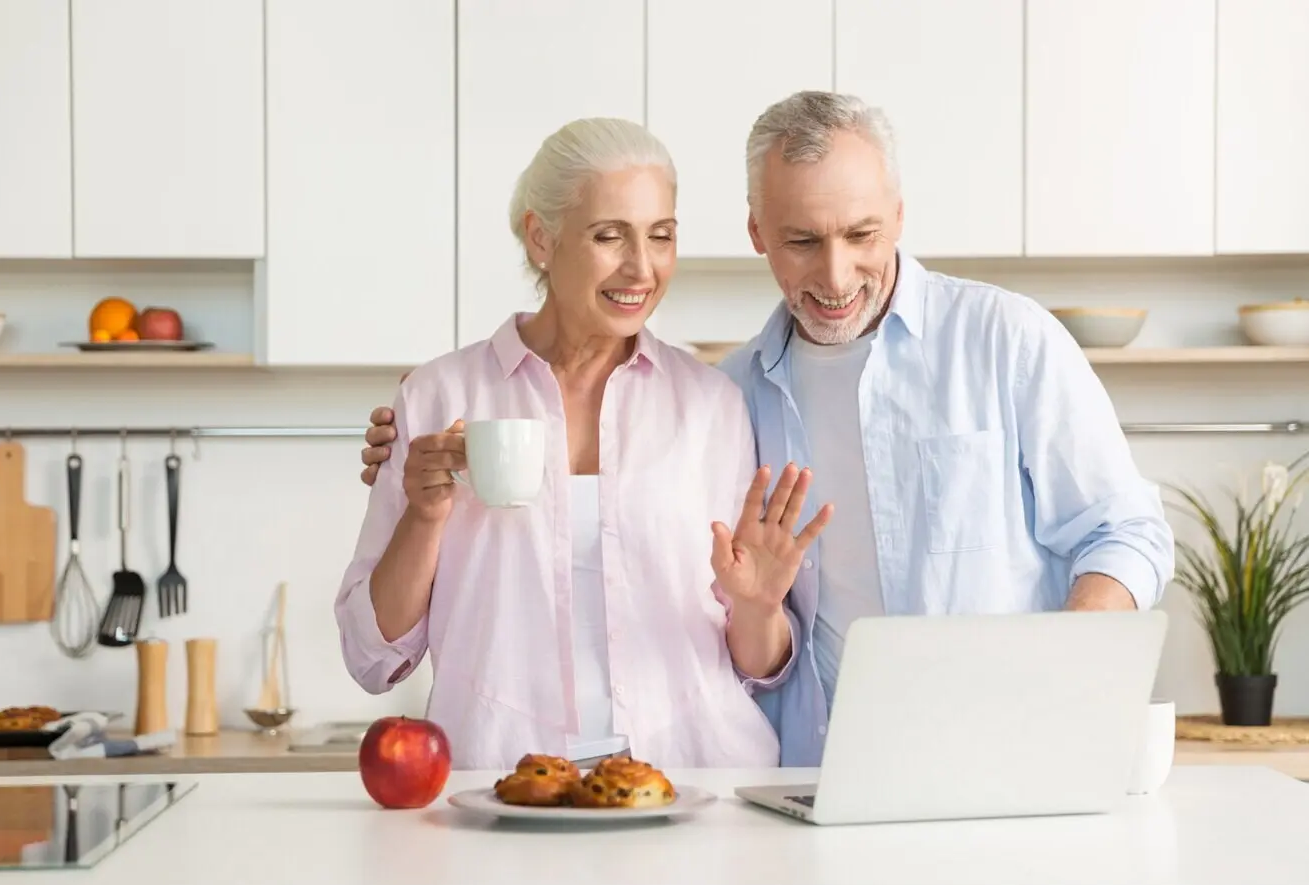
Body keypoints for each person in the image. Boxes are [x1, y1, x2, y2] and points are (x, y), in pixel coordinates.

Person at [359, 91, 1176, 768]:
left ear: (898, 216)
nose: (834, 274)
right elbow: (751, 630)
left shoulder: (1005, 341)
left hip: (1009, 757)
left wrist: (1060, 684)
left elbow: (1126, 531)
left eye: (861, 235)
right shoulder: (739, 391)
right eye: (801, 241)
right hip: (822, 778)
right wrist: (411, 475)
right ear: (756, 234)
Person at [334, 116, 832, 771]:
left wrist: (757, 605)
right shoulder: (438, 398)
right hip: (501, 786)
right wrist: (425, 515)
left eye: (662, 236)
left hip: (689, 783)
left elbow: (761, 667)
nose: (642, 268)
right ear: (541, 238)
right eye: (608, 236)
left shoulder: (710, 405)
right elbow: (372, 658)